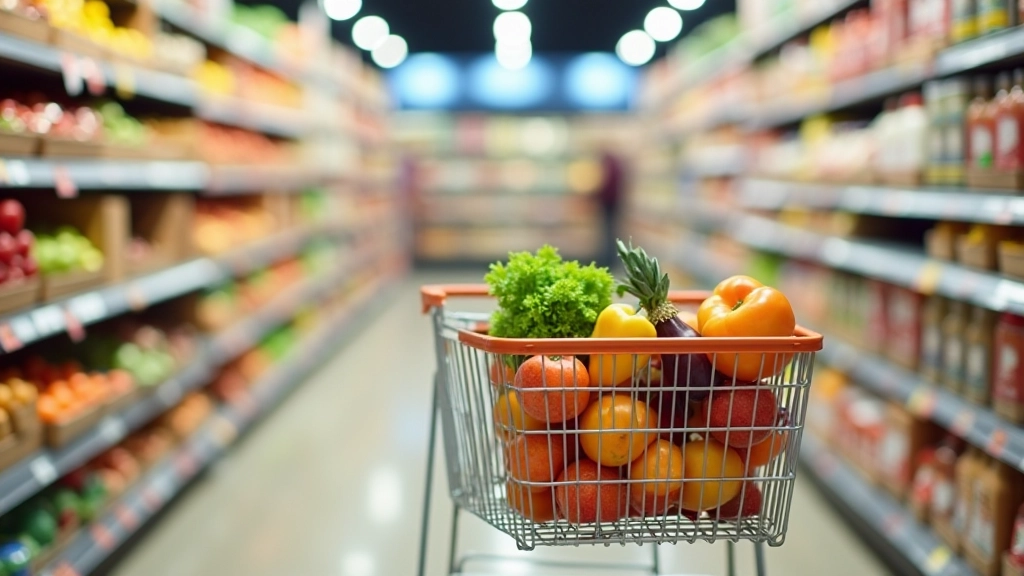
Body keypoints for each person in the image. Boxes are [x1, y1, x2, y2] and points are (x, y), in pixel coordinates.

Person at [596, 148, 624, 269]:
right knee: (609, 231)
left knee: (609, 232)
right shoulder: (613, 163)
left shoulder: (609, 163)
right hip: (612, 202)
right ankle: (610, 259)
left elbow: (607, 185)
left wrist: (597, 195)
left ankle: (610, 260)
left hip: (609, 203)